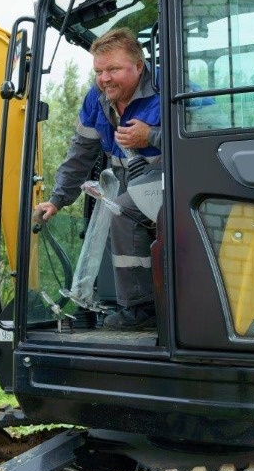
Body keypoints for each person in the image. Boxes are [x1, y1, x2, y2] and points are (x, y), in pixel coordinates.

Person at [34, 28, 161, 331]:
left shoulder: (169, 87)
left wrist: (152, 136)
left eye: (113, 69)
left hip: (176, 179)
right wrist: (57, 199)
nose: (104, 79)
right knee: (112, 211)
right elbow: (81, 151)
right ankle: (128, 300)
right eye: (99, 71)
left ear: (138, 66)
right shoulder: (97, 99)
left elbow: (208, 134)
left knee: (123, 213)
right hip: (130, 180)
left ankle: (142, 309)